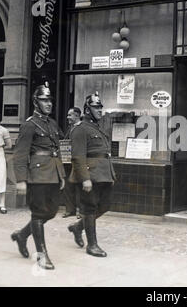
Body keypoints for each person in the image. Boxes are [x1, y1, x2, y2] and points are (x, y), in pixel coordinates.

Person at [10, 82, 66, 270]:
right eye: (44, 100)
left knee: (50, 211)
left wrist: (62, 175)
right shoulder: (29, 125)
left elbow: (56, 150)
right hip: (37, 175)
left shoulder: (51, 123)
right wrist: (21, 180)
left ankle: (21, 235)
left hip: (53, 174)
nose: (49, 103)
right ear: (36, 102)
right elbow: (20, 154)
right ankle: (42, 255)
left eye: (50, 100)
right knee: (38, 213)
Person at [67, 92, 116, 257]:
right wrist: (85, 179)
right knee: (89, 208)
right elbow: (78, 157)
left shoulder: (98, 128)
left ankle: (77, 227)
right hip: (89, 175)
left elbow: (105, 153)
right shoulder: (80, 129)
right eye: (96, 107)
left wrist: (111, 174)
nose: (100, 110)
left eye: (101, 107)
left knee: (105, 206)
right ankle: (92, 245)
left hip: (103, 174)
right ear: (87, 110)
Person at [62, 107, 82, 219]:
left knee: (79, 187)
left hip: (78, 162)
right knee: (68, 186)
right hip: (68, 162)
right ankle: (70, 210)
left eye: (70, 115)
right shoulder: (70, 128)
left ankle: (80, 210)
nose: (67, 117)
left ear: (77, 116)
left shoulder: (82, 128)